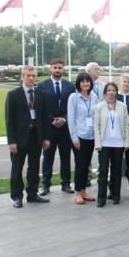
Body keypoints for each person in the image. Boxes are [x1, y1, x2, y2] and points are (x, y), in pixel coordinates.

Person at [5, 66, 51, 208]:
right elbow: (9, 119)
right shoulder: (13, 95)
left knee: (34, 167)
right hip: (19, 139)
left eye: (33, 76)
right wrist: (11, 141)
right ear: (22, 77)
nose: (31, 78)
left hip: (36, 136)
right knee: (17, 168)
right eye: (28, 75)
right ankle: (17, 196)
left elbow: (44, 117)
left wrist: (46, 138)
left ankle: (32, 193)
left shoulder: (40, 94)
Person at [38, 58, 75, 195]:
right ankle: (45, 185)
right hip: (50, 128)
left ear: (63, 69)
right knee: (48, 157)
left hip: (65, 128)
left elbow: (72, 107)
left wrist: (64, 119)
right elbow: (40, 107)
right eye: (55, 67)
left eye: (60, 68)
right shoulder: (42, 86)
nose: (58, 70)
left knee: (65, 156)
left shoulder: (70, 86)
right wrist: (52, 119)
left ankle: (66, 183)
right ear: (50, 68)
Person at [94, 82, 129, 207]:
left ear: (116, 92)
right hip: (104, 143)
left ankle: (116, 195)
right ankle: (101, 198)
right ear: (105, 92)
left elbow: (126, 126)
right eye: (109, 90)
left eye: (113, 90)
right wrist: (98, 143)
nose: (111, 92)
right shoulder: (99, 107)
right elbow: (96, 126)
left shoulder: (122, 106)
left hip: (119, 143)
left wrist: (126, 143)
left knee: (117, 171)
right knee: (103, 171)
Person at [67, 72, 99, 205]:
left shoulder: (94, 97)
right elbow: (71, 118)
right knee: (80, 165)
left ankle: (84, 191)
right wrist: (74, 137)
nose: (85, 83)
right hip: (79, 136)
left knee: (86, 165)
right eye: (82, 81)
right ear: (78, 83)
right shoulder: (74, 97)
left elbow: (97, 116)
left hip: (91, 136)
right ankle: (78, 193)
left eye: (87, 81)